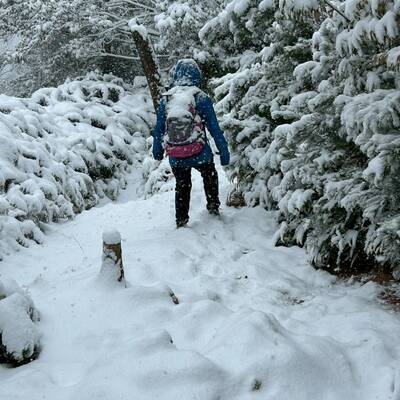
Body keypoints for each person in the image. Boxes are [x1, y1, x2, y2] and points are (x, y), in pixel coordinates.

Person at [152, 59, 230, 228]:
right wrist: (224, 152)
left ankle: (181, 220)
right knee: (210, 175)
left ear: (177, 75)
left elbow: (158, 130)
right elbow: (214, 129)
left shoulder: (167, 99)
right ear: (197, 75)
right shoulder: (201, 97)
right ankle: (213, 206)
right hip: (200, 152)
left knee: (182, 185)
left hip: (176, 156)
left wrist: (157, 152)